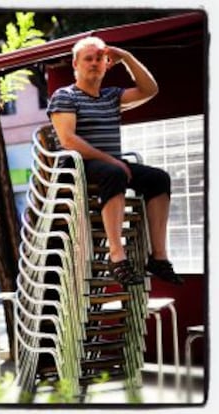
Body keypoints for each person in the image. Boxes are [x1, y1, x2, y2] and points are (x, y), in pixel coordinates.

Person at [47, 36, 183, 286]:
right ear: (75, 64)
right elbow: (68, 140)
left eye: (100, 58)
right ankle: (117, 255)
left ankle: (159, 257)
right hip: (76, 166)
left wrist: (127, 58)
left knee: (158, 178)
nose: (94, 62)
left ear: (107, 64)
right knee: (115, 172)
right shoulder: (64, 95)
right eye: (88, 58)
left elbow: (150, 90)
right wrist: (112, 161)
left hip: (110, 164)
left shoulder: (111, 96)